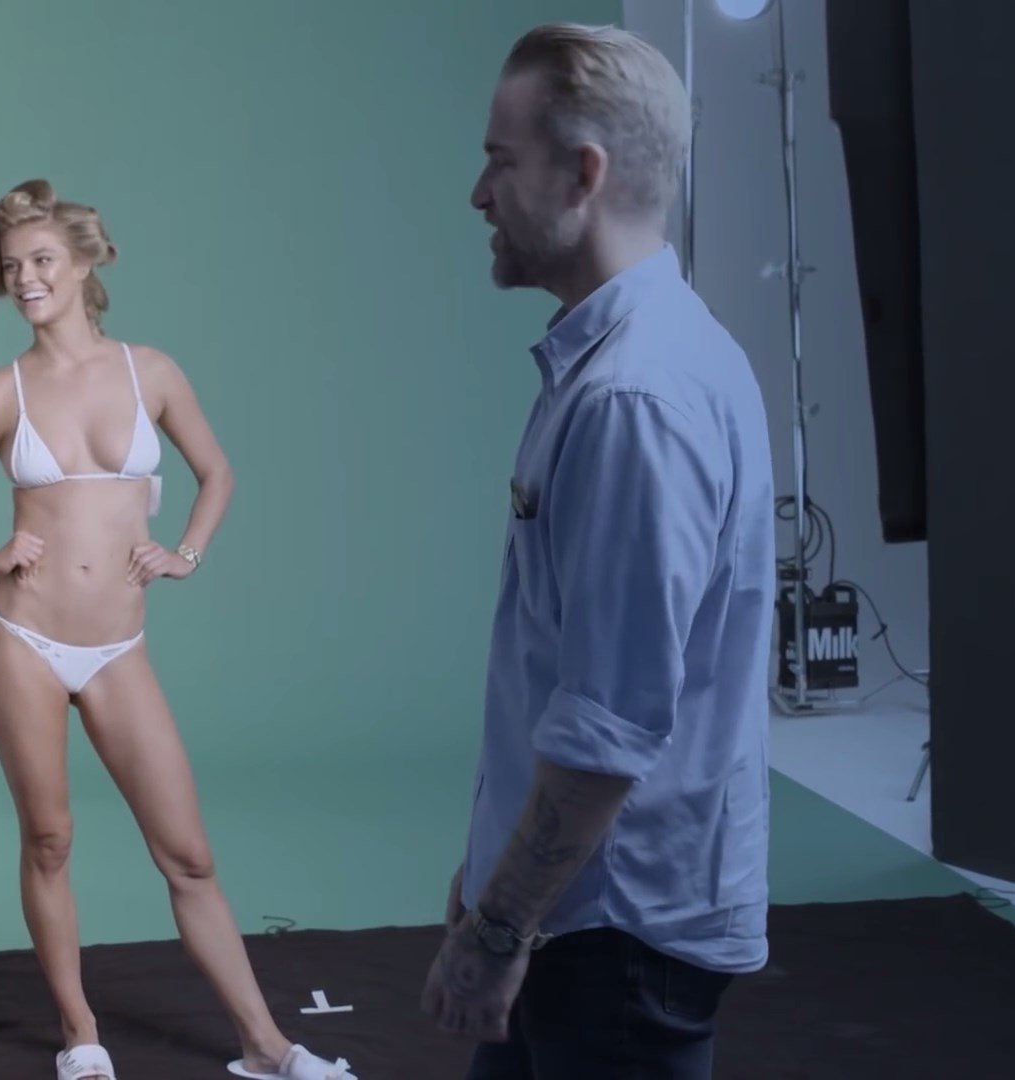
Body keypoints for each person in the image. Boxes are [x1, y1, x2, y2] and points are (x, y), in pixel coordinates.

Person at [0, 179, 355, 1080]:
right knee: (50, 840)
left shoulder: (153, 372)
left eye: (41, 261)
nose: (25, 279)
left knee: (188, 855)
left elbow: (217, 473)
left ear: (84, 264)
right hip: (23, 640)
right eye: (10, 267)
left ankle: (265, 1046)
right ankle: (80, 1035)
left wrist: (186, 552)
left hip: (118, 647)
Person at [420, 23, 776, 1078]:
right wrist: (496, 879)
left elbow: (611, 723)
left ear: (583, 174)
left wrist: (497, 930)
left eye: (500, 160)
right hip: (574, 918)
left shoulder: (635, 399)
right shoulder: (626, 361)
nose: (478, 194)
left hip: (610, 938)